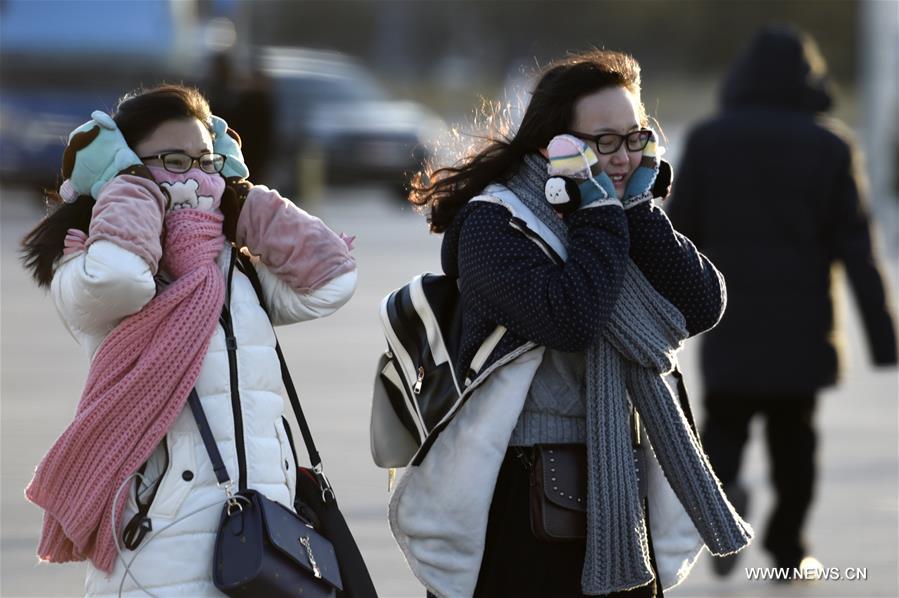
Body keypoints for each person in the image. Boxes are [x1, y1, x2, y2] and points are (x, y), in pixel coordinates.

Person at [392, 49, 753, 598]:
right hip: (517, 494)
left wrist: (637, 214)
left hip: (620, 488)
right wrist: (602, 218)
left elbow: (704, 302)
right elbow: (572, 318)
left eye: (635, 137)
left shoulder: (621, 210)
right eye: (603, 141)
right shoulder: (496, 223)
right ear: (553, 144)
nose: (624, 157)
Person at [21, 84, 357, 595]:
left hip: (264, 536)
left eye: (207, 161)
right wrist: (131, 190)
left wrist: (253, 209)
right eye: (174, 161)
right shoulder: (87, 264)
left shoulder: (238, 269)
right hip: (162, 543)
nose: (197, 178)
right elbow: (122, 280)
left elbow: (331, 282)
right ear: (124, 167)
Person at [666, 26, 898, 576]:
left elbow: (677, 233)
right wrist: (883, 337)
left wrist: (658, 314)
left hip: (728, 324)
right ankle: (789, 548)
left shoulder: (708, 139)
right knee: (795, 444)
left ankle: (723, 523)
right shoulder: (831, 145)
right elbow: (857, 248)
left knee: (722, 433)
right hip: (802, 329)